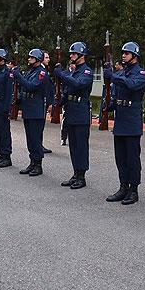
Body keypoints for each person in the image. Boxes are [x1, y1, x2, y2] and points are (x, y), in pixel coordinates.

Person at [103, 42, 145, 205]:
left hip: (132, 122)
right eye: (122, 53)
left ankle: (133, 190)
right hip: (121, 120)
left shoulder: (140, 73)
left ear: (134, 56)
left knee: (132, 158)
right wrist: (110, 104)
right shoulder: (122, 73)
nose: (123, 55)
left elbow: (132, 85)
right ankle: (123, 187)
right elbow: (118, 94)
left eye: (126, 53)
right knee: (120, 157)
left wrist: (113, 76)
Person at [53, 42, 93, 189]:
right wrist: (59, 103)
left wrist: (61, 74)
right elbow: (68, 90)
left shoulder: (87, 72)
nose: (71, 56)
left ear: (82, 56)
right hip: (70, 111)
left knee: (81, 146)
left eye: (74, 54)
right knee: (73, 146)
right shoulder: (72, 71)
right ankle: (75, 173)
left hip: (81, 113)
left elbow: (77, 84)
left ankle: (82, 176)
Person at [11, 49, 48, 176]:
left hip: (36, 110)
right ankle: (32, 162)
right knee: (30, 139)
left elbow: (31, 86)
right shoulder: (30, 71)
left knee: (36, 139)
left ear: (37, 59)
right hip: (28, 109)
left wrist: (19, 76)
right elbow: (23, 85)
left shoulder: (41, 72)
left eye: (31, 58)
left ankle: (38, 164)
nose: (28, 60)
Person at [42, 50, 53, 154]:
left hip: (45, 101)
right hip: (42, 101)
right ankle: (38, 145)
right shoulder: (41, 70)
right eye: (46, 57)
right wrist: (49, 102)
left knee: (41, 125)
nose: (48, 59)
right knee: (39, 125)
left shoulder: (46, 69)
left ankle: (39, 144)